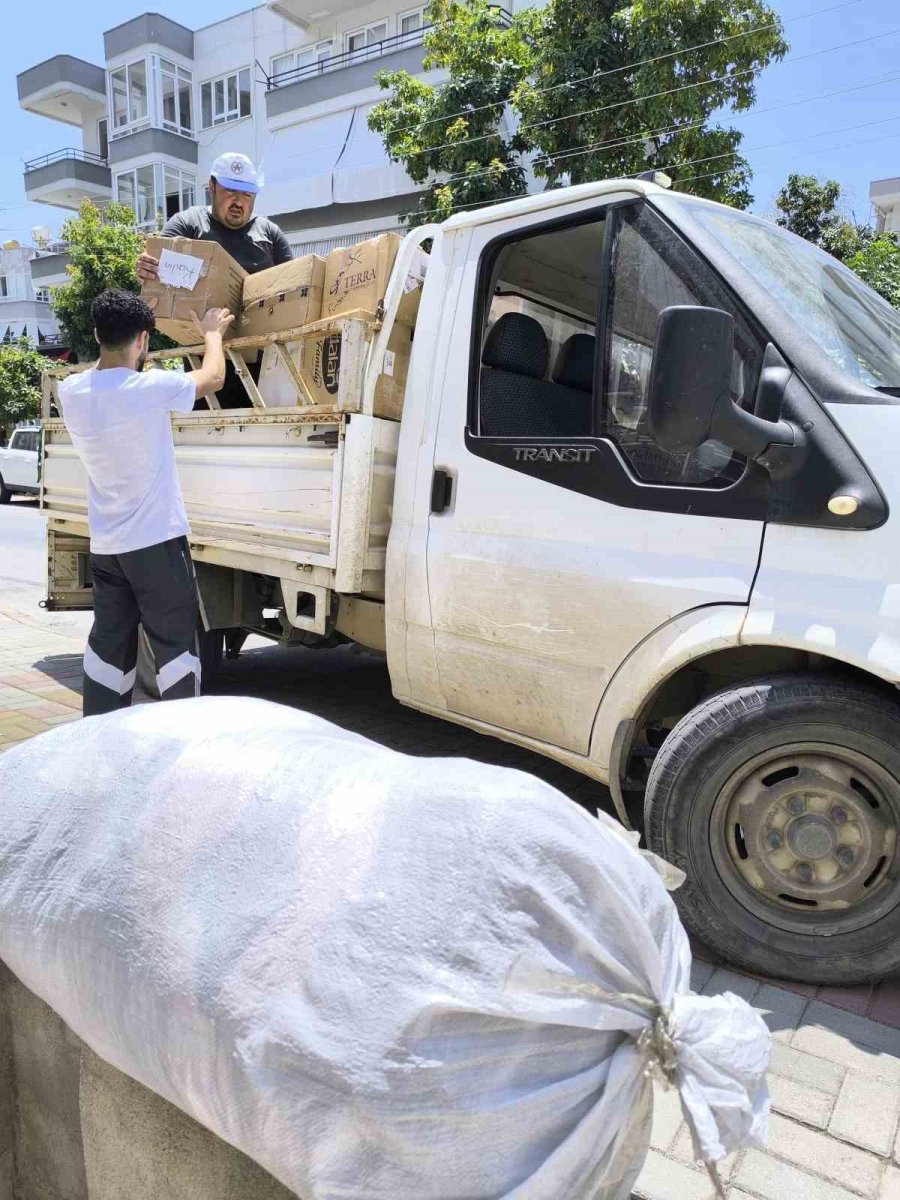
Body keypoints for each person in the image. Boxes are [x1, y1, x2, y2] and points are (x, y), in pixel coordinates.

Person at [57, 289, 233, 718]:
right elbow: (213, 378)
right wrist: (212, 334)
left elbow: (101, 380)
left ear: (97, 333)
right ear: (143, 339)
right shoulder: (150, 388)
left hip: (107, 547)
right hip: (156, 544)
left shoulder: (71, 391)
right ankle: (178, 736)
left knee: (108, 642)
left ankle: (100, 734)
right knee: (172, 643)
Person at [136, 153, 292, 409]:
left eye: (247, 195)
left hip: (261, 368)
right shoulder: (188, 224)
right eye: (230, 191)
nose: (238, 202)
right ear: (211, 187)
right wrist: (146, 268)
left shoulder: (270, 234)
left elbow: (295, 286)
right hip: (203, 365)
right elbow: (156, 266)